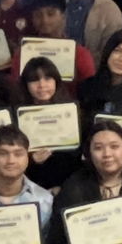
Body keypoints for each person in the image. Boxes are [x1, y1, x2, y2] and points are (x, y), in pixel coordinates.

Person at [17, 57, 82, 192]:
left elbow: (78, 157)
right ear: (26, 84)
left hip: (68, 185)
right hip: (31, 187)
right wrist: (32, 161)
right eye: (35, 80)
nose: (42, 85)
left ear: (56, 81)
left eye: (47, 79)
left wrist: (65, 188)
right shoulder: (17, 117)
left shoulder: (71, 112)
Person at [22, 0, 97, 82]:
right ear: (32, 19)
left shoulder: (80, 54)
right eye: (38, 15)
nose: (45, 20)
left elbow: (90, 90)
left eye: (51, 14)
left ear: (63, 16)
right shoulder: (23, 53)